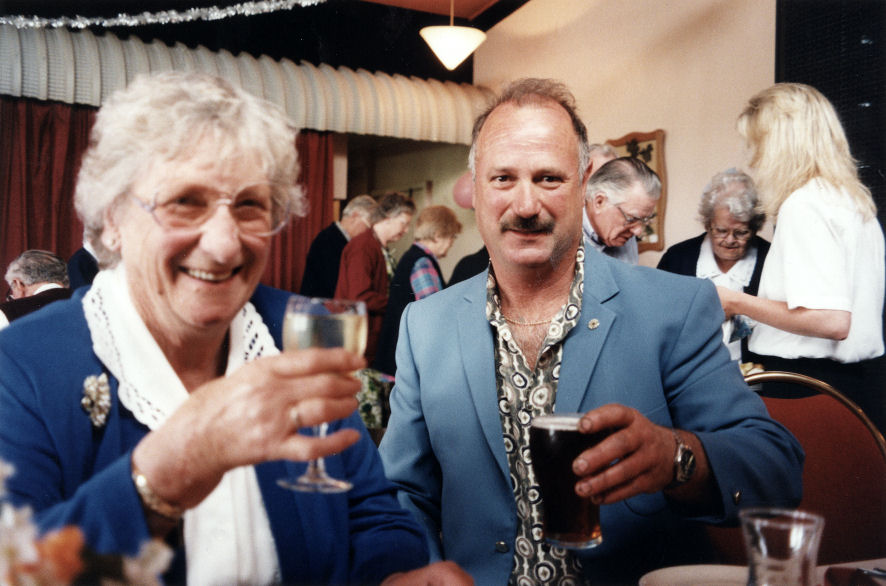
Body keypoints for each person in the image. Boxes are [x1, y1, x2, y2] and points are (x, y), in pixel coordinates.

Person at [0, 71, 472, 586]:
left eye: (250, 206)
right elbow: (17, 570)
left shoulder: (297, 330)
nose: (225, 244)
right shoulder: (23, 363)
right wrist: (165, 475)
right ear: (112, 218)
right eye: (185, 202)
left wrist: (389, 577)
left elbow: (373, 515)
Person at [378, 78, 803, 584]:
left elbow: (776, 469)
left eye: (549, 179)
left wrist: (676, 457)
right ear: (478, 187)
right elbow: (401, 492)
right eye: (503, 179)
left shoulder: (673, 308)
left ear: (584, 184)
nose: (526, 204)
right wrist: (422, 569)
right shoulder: (426, 326)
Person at [718, 82, 885, 426]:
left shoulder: (805, 204)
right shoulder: (854, 201)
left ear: (781, 144)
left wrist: (733, 302)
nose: (754, 159)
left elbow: (832, 320)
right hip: (856, 382)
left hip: (807, 386)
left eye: (758, 145)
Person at [658, 169, 770, 362]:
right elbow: (658, 320)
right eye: (721, 230)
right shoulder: (677, 258)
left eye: (741, 232)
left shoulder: (770, 259)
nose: (730, 240)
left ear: (754, 227)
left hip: (757, 380)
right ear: (708, 224)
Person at [373, 205, 462, 376]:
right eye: (452, 237)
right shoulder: (423, 263)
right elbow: (435, 316)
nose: (451, 243)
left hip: (393, 359)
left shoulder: (412, 257)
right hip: (403, 364)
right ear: (437, 236)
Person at [335, 192, 415, 363]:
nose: (406, 230)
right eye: (404, 223)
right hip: (362, 342)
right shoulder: (363, 246)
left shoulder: (377, 246)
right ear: (388, 217)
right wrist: (398, 305)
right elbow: (359, 296)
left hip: (372, 338)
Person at [583, 156, 660, 264]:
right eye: (632, 219)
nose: (638, 231)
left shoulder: (624, 236)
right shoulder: (561, 234)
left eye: (644, 220)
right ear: (599, 202)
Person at [299, 194, 376, 298]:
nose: (368, 232)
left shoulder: (337, 238)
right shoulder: (328, 240)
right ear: (355, 216)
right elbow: (334, 285)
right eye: (368, 226)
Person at [0, 249, 72, 329]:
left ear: (18, 283)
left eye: (11, 292)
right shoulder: (85, 301)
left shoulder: (6, 312)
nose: (12, 297)